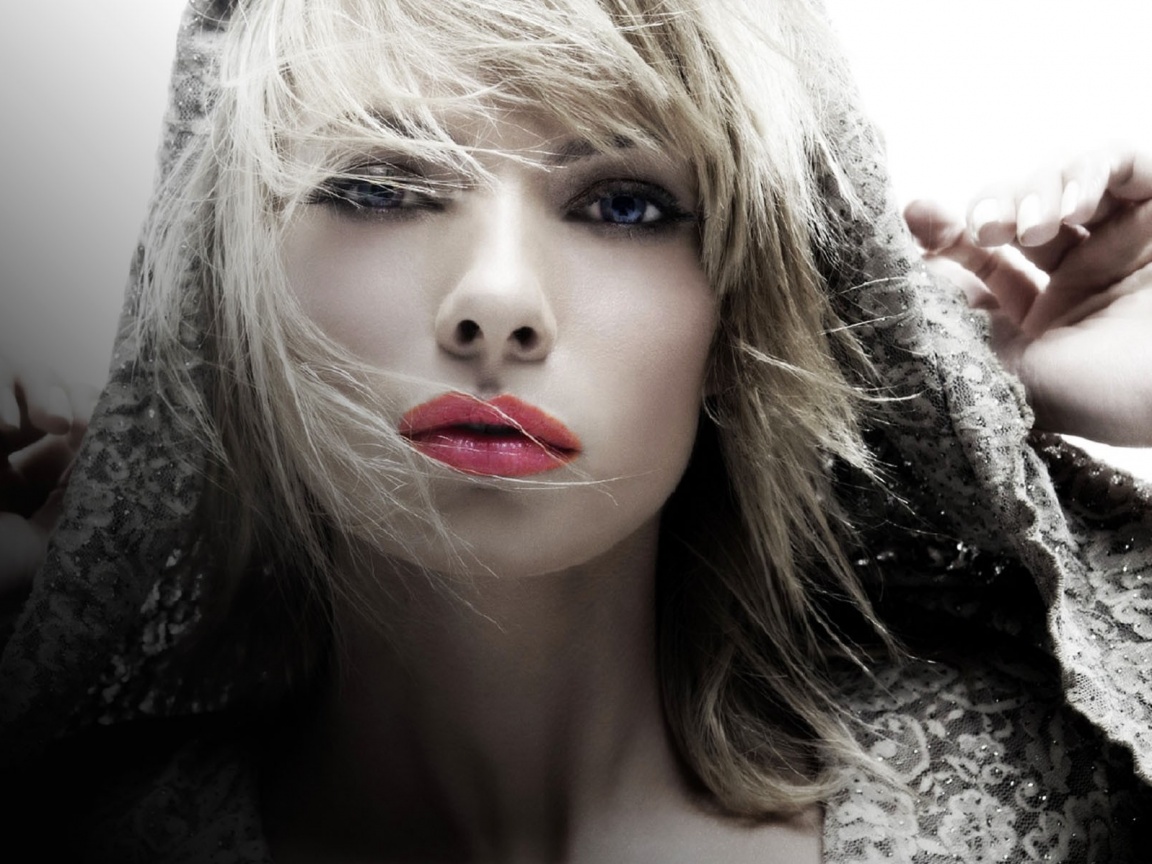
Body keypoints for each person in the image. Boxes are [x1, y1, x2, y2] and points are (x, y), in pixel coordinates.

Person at [1, 0, 1150, 860]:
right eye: (380, 186)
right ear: (226, 299)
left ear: (739, 316)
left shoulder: (1047, 802)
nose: (496, 301)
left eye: (623, 204)